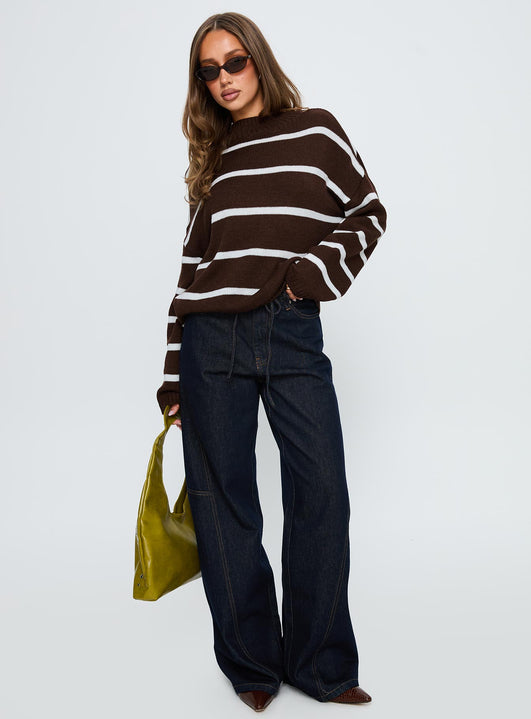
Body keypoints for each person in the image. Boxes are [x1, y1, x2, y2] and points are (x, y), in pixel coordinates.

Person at [156, 11, 387, 713]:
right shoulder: (216, 159)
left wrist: (310, 276)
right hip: (210, 343)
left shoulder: (315, 132)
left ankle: (321, 665)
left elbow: (368, 211)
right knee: (223, 502)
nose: (224, 79)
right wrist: (171, 376)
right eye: (209, 71)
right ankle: (252, 665)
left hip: (289, 333)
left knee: (321, 492)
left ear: (258, 59)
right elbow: (192, 271)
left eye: (235, 62)